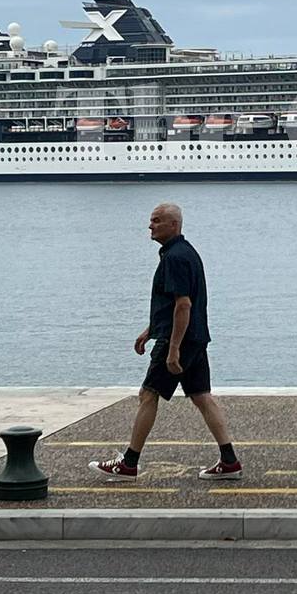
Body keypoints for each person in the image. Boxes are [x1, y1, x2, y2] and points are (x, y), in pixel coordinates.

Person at [89, 202, 242, 481]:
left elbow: (183, 305)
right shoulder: (185, 253)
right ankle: (229, 461)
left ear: (174, 225)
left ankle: (129, 463)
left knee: (148, 395)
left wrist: (172, 349)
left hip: (180, 340)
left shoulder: (174, 258)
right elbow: (175, 302)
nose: (150, 225)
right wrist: (150, 330)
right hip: (194, 337)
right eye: (151, 220)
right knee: (201, 397)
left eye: (157, 220)